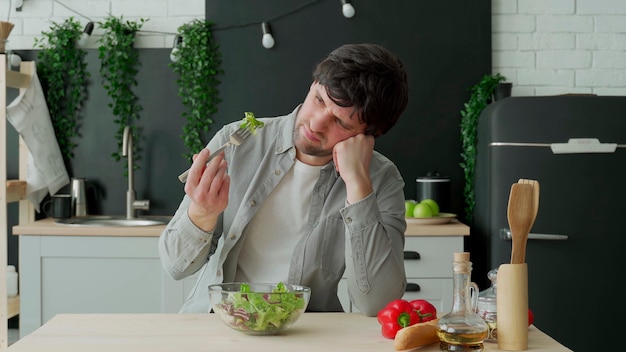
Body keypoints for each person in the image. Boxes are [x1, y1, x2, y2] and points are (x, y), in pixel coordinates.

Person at [159, 43, 409, 317]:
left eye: (341, 123)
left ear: (369, 134)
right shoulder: (237, 141)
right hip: (217, 324)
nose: (315, 124)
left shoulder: (382, 178)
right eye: (319, 100)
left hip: (308, 333)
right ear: (313, 83)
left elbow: (378, 304)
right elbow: (175, 266)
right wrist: (202, 212)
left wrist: (358, 185)